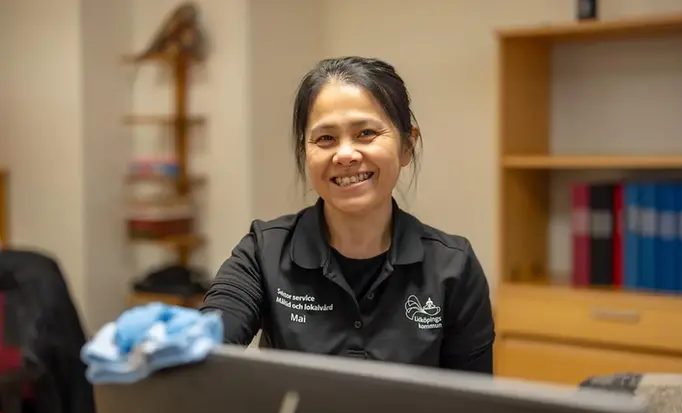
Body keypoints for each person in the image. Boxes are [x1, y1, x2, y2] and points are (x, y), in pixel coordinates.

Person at [200, 56, 494, 373]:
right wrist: (184, 340)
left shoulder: (454, 266)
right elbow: (211, 338)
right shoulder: (264, 252)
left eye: (366, 132)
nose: (345, 155)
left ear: (407, 145)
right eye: (325, 138)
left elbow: (472, 400)